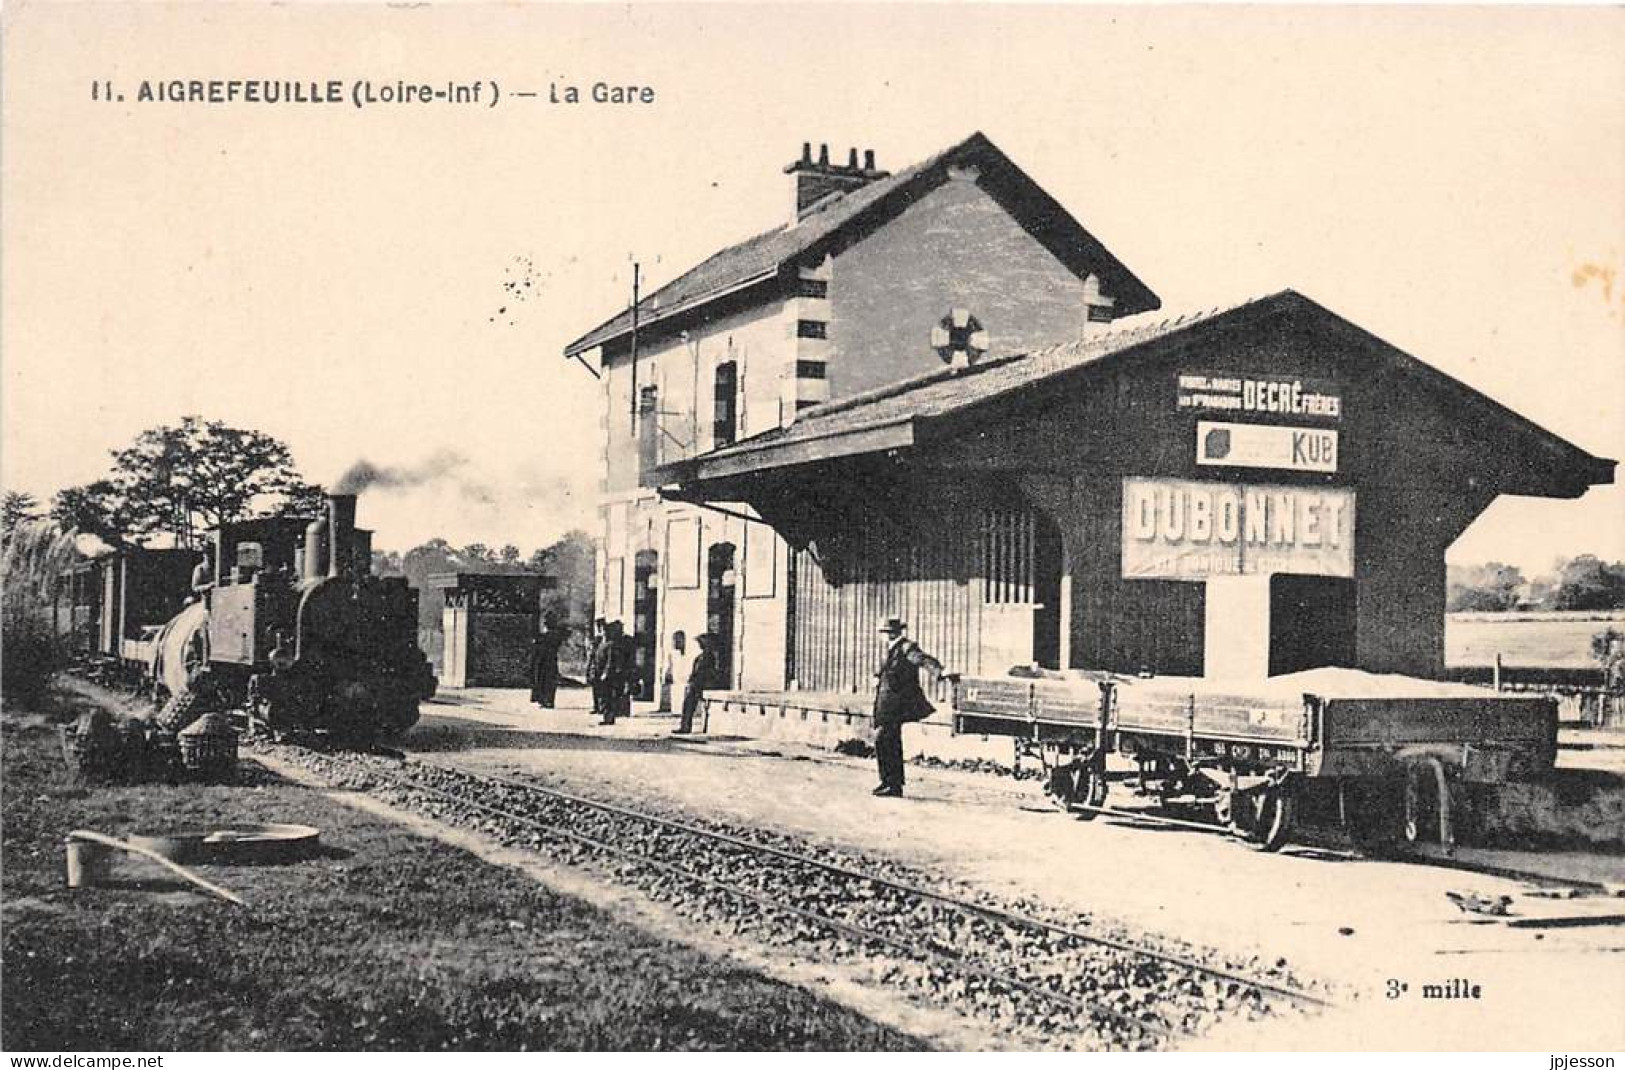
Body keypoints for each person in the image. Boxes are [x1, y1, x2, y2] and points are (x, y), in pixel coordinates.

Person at [870, 617, 948, 798]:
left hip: (895, 704)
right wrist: (877, 677)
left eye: (884, 632)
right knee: (885, 741)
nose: (882, 636)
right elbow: (887, 669)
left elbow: (922, 660)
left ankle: (893, 784)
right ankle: (888, 782)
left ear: (891, 633)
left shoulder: (906, 647)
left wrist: (939, 671)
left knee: (886, 740)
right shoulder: (891, 648)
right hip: (886, 703)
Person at [677, 632, 718, 734]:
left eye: (701, 642)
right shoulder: (701, 656)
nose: (700, 644)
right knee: (687, 704)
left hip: (702, 685)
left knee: (689, 704)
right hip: (696, 684)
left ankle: (686, 727)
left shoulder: (709, 656)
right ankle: (685, 726)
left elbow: (707, 672)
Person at [599, 620, 634, 725]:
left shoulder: (613, 645)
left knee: (608, 696)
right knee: (612, 696)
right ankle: (611, 715)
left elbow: (611, 661)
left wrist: (605, 673)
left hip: (611, 675)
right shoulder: (610, 643)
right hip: (614, 674)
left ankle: (609, 717)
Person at [529, 618, 564, 709]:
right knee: (551, 682)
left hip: (543, 662)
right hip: (552, 662)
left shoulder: (544, 637)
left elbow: (538, 649)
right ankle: (550, 701)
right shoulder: (556, 636)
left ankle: (544, 701)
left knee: (542, 681)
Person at [586, 618, 608, 719]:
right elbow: (592, 653)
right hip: (596, 665)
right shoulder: (597, 639)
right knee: (595, 687)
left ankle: (601, 707)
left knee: (602, 688)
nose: (600, 628)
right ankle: (597, 706)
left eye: (601, 626)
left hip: (601, 665)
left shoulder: (604, 638)